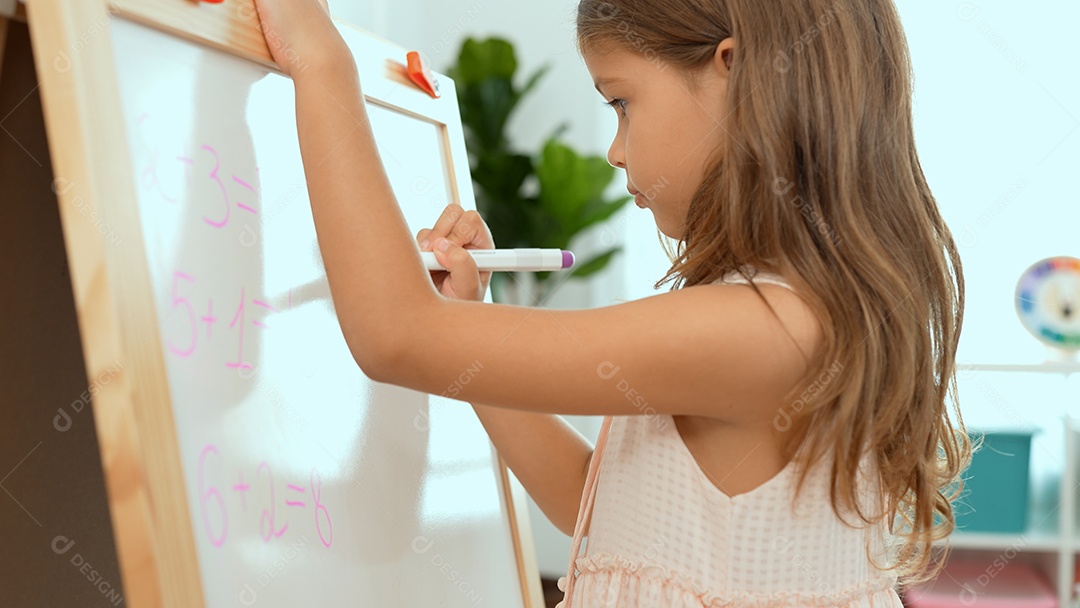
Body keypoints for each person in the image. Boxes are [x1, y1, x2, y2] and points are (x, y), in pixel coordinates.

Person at [252, 0, 969, 605]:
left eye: (622, 102)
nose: (615, 151)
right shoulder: (789, 311)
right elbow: (587, 504)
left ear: (735, 74)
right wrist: (470, 315)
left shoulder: (764, 328)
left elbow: (392, 335)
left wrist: (323, 63)